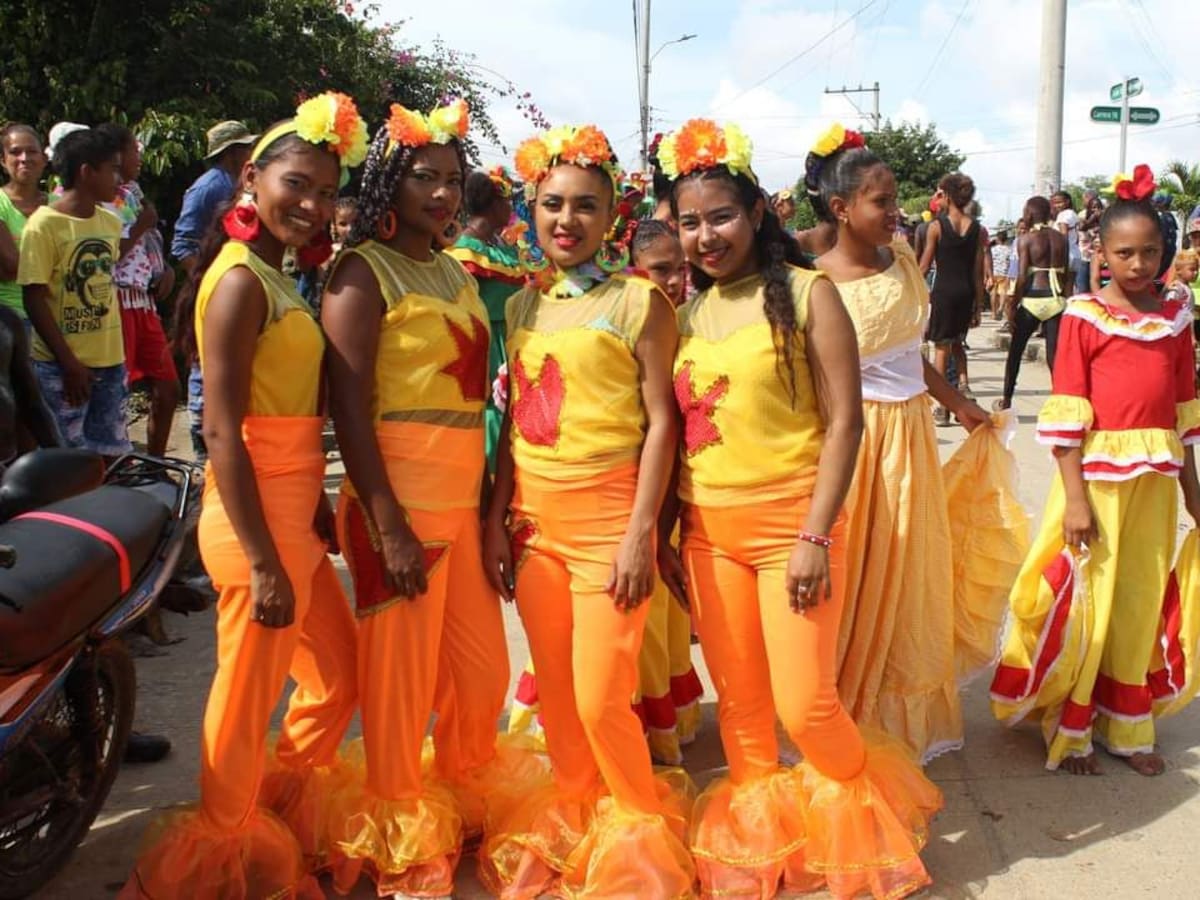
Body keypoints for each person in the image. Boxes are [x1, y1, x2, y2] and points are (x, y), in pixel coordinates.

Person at [658, 117, 941, 899]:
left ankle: (868, 826)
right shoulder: (685, 313)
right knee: (742, 709)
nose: (706, 235)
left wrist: (817, 532)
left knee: (807, 705)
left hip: (796, 526)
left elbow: (846, 421)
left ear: (755, 213)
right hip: (710, 531)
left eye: (720, 216)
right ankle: (763, 850)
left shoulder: (809, 292)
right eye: (689, 221)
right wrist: (671, 535)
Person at [120, 94, 366, 898]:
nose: (313, 204)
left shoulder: (275, 274)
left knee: (337, 675)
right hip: (253, 522)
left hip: (291, 511)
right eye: (298, 184)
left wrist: (317, 508)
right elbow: (220, 432)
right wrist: (263, 560)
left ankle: (275, 806)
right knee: (246, 691)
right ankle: (222, 849)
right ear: (251, 179)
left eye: (327, 191)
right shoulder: (237, 284)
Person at [479, 123, 694, 899]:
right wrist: (498, 517)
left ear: (612, 219)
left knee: (605, 697)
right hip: (536, 531)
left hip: (611, 528)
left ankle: (636, 831)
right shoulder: (523, 310)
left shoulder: (640, 300)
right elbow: (511, 422)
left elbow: (662, 421)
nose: (565, 222)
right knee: (561, 702)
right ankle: (575, 814)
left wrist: (644, 532)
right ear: (529, 211)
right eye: (551, 206)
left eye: (584, 208)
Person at [320, 100, 517, 898]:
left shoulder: (451, 268)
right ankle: (400, 837)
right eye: (422, 177)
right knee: (398, 691)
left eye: (451, 179)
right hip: (394, 508)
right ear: (386, 184)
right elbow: (347, 404)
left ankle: (462, 800)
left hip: (458, 507)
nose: (440, 193)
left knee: (481, 675)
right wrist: (386, 522)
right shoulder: (362, 270)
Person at [991, 165, 1200, 777]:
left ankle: (1126, 728)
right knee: (1089, 596)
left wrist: (1193, 494)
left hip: (1156, 484)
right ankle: (1071, 723)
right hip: (1096, 482)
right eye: (1125, 253)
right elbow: (1065, 419)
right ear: (1099, 253)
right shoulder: (1084, 316)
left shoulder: (1177, 320)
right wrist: (1076, 501)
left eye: (1151, 252)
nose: (1139, 264)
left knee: (1136, 598)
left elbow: (1185, 419)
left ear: (1165, 251)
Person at [807, 124, 994, 766]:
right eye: (881, 202)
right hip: (854, 444)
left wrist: (961, 406)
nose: (897, 212)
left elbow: (912, 359)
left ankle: (899, 711)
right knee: (855, 578)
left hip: (911, 435)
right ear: (841, 210)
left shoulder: (907, 259)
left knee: (910, 573)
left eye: (895, 201)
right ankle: (839, 710)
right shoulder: (815, 284)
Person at [629, 218, 702, 764]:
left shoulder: (690, 322)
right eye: (661, 269)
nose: (675, 280)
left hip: (680, 486)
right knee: (641, 611)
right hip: (633, 485)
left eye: (681, 269)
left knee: (668, 610)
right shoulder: (630, 318)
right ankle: (632, 722)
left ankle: (663, 720)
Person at [16, 128, 132, 460]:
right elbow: (34, 298)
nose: (119, 178)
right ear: (86, 172)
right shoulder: (44, 226)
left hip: (110, 362)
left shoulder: (110, 223)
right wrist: (69, 364)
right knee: (68, 462)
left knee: (112, 454)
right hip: (62, 368)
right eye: (112, 168)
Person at [173, 120, 257, 462]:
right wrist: (208, 281)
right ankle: (201, 433)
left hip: (235, 281)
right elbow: (182, 242)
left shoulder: (235, 184)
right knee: (206, 364)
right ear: (234, 152)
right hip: (216, 285)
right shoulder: (208, 187)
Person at [95, 123, 180, 458]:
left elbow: (148, 242)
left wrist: (165, 269)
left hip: (143, 302)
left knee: (168, 386)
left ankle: (154, 464)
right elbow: (105, 253)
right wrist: (143, 224)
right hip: (118, 302)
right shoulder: (101, 196)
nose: (140, 155)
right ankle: (113, 469)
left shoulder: (133, 191)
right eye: (134, 148)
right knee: (118, 391)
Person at [448, 166, 523, 473]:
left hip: (511, 340)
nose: (511, 209)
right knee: (493, 408)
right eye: (508, 202)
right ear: (494, 203)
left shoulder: (500, 248)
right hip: (487, 347)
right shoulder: (465, 254)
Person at [995, 196, 1070, 412]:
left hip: (1032, 299)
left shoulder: (1026, 240)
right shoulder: (1061, 239)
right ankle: (1061, 401)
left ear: (1028, 214)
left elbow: (1021, 277)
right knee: (1054, 356)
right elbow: (1065, 274)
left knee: (1016, 352)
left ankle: (1007, 399)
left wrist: (1012, 304)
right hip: (1056, 299)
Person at [921, 173, 985, 420]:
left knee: (941, 348)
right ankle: (964, 386)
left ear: (946, 196)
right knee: (958, 343)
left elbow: (925, 266)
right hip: (966, 293)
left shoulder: (936, 228)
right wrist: (978, 305)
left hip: (944, 293)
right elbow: (977, 271)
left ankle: (942, 406)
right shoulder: (977, 229)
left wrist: (910, 286)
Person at [0, 123, 49, 324]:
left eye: (31, 151)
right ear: (3, 160)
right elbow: (11, 266)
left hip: (55, 319)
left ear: (44, 159)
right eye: (15, 152)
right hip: (10, 318)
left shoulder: (56, 206)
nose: (24, 158)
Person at [1051, 189, 1082, 295]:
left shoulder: (1063, 215)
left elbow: (1064, 235)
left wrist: (1061, 255)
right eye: (1055, 203)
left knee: (1059, 288)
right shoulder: (1073, 214)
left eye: (1059, 202)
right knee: (1069, 288)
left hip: (1065, 254)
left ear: (1067, 201)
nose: (1057, 205)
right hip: (1075, 253)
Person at [989, 230, 1012, 319]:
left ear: (997, 239)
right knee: (1003, 292)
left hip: (994, 273)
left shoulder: (992, 250)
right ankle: (1001, 308)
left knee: (993, 293)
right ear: (1006, 239)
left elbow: (989, 261)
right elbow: (1010, 262)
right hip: (1005, 273)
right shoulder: (1009, 250)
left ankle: (993, 313)